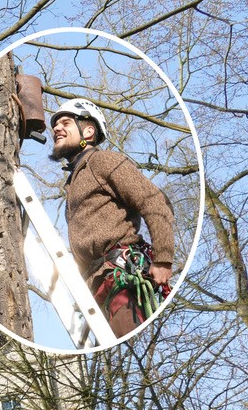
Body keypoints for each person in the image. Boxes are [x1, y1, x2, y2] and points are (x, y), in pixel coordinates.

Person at [49, 97, 176, 338]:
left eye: (66, 122)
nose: (56, 128)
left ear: (88, 130)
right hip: (96, 285)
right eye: (55, 124)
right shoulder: (74, 182)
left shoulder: (103, 161)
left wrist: (163, 258)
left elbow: (155, 201)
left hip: (121, 279)